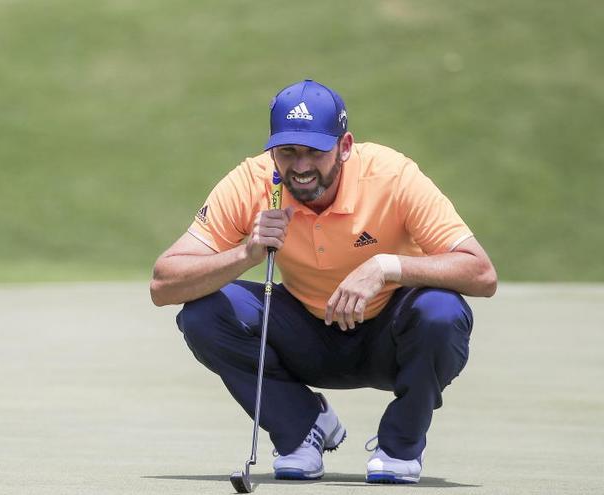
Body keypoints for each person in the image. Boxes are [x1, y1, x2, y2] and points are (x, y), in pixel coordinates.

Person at [149, 79, 497, 484]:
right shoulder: (253, 181)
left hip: (391, 338)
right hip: (305, 337)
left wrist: (386, 266)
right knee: (204, 313)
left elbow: (480, 272)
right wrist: (246, 254)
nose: (300, 167)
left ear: (345, 146)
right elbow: (163, 283)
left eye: (315, 151)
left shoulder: (392, 176)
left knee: (441, 311)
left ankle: (400, 446)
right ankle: (301, 428)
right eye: (287, 152)